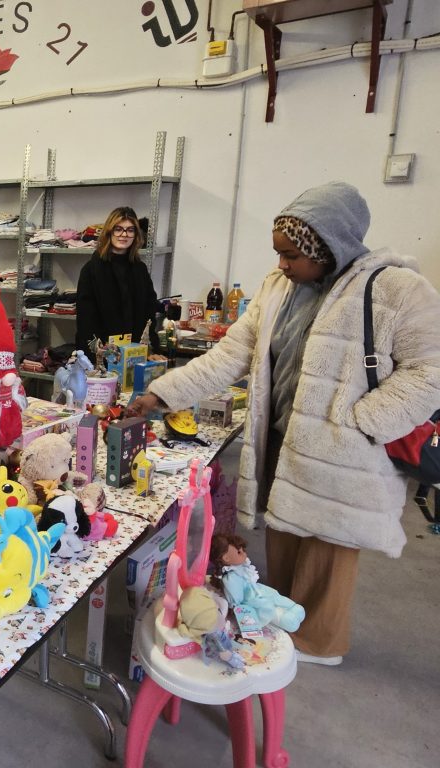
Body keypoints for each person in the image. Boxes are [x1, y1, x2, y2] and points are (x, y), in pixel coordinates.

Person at [129, 181, 440, 665]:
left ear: (329, 247)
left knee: (329, 548)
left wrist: (365, 422)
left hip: (345, 447)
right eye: (279, 253)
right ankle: (278, 620)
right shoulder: (279, 289)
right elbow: (231, 354)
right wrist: (160, 393)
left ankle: (320, 641)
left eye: (292, 254)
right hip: (283, 436)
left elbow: (430, 370)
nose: (281, 264)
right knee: (285, 533)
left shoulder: (395, 290)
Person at [75, 206, 161, 354]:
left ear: (136, 234)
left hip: (135, 352)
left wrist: (150, 350)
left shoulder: (139, 269)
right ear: (109, 231)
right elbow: (86, 319)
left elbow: (149, 312)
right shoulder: (92, 269)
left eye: (130, 230)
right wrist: (98, 351)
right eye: (118, 229)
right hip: (102, 354)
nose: (124, 234)